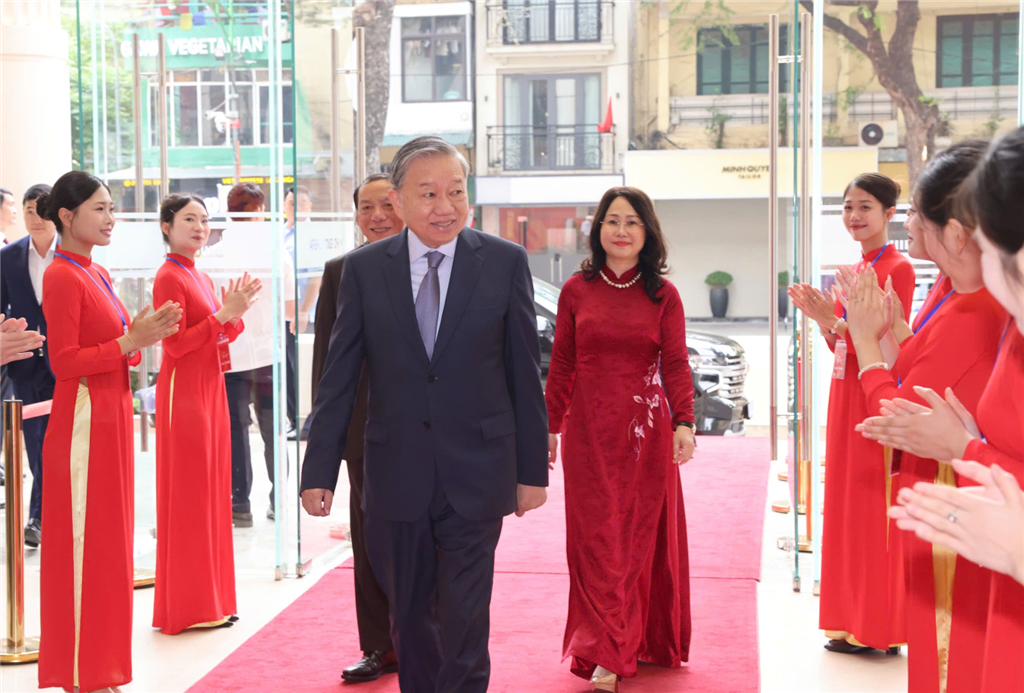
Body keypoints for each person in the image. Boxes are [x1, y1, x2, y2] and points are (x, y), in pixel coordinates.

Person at [301, 136, 548, 693]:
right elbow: (338, 379)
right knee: (410, 618)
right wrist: (319, 471)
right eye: (429, 193)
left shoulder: (503, 262)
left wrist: (532, 470)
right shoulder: (364, 270)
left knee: (466, 617)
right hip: (395, 472)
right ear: (398, 200)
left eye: (456, 192)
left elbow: (523, 373)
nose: (445, 207)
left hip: (479, 468)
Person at [843, 141, 1007, 693]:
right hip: (950, 484)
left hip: (953, 492)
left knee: (949, 652)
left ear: (955, 233)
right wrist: (884, 332)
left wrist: (865, 341)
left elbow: (897, 414)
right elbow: (918, 366)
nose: (908, 224)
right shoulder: (954, 291)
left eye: (915, 212)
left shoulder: (976, 306)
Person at [545, 187, 695, 693]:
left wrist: (685, 422)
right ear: (598, 230)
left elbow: (676, 362)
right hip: (587, 434)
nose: (622, 230)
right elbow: (562, 364)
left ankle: (615, 648)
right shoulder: (575, 290)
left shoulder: (663, 295)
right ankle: (604, 642)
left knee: (631, 541)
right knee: (594, 542)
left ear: (647, 232)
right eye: (612, 220)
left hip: (642, 435)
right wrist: (550, 426)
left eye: (632, 221)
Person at [36, 171, 182, 692]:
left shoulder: (96, 271)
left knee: (108, 546)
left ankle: (100, 666)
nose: (110, 218)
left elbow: (120, 344)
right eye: (99, 209)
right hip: (83, 420)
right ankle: (82, 671)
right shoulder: (62, 276)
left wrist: (138, 337)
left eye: (111, 208)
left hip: (111, 413)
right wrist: (129, 342)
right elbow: (63, 362)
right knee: (85, 544)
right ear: (66, 216)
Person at [788, 174, 916, 655]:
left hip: (871, 394)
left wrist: (835, 322)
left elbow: (887, 344)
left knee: (870, 507)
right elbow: (847, 344)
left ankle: (878, 626)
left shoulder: (897, 268)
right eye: (847, 207)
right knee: (845, 505)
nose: (854, 216)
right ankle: (848, 621)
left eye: (865, 207)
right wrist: (829, 324)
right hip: (846, 393)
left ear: (889, 214)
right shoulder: (859, 267)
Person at [152, 194, 261, 635]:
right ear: (166, 226)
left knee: (212, 492)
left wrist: (232, 314)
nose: (200, 227)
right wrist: (223, 315)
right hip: (185, 392)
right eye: (189, 219)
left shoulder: (197, 273)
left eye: (204, 219)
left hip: (209, 385)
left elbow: (216, 335)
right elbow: (175, 345)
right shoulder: (168, 276)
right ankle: (189, 605)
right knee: (192, 494)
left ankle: (211, 599)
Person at [310, 173, 402, 683]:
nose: (377, 216)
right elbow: (328, 365)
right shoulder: (340, 271)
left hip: (434, 431)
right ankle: (380, 646)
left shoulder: (438, 264)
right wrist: (329, 447)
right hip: (366, 433)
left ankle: (425, 637)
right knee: (370, 545)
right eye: (366, 207)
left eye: (387, 204)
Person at [207, 183, 296, 527]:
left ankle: (240, 503)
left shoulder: (214, 254)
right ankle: (278, 501)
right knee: (273, 431)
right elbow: (290, 310)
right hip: (267, 355)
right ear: (260, 212)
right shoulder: (276, 253)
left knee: (235, 431)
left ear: (228, 212)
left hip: (229, 356)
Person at [0, 184, 59, 546]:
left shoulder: (70, 253)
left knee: (54, 443)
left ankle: (39, 516)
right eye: (29, 210)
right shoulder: (8, 256)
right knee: (35, 443)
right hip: (24, 363)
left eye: (42, 211)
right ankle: (41, 512)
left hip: (63, 363)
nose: (35, 218)